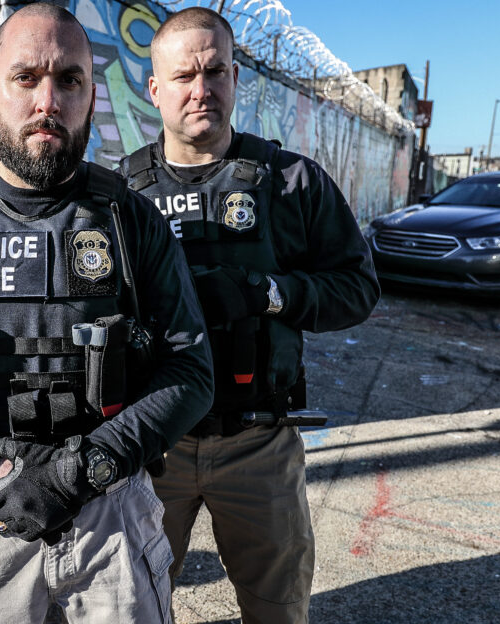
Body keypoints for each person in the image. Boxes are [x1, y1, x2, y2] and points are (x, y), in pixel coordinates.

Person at [0, 4, 213, 622]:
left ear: (90, 94)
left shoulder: (130, 218)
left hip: (111, 510)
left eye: (69, 80)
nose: (47, 101)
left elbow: (190, 371)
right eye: (25, 78)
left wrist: (81, 470)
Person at [118, 8, 380, 623]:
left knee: (277, 608)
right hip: (153, 446)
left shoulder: (291, 182)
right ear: (154, 88)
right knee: (132, 607)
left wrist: (268, 293)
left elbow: (357, 288)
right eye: (183, 76)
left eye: (215, 72)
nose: (201, 90)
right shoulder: (120, 194)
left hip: (260, 443)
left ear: (235, 78)